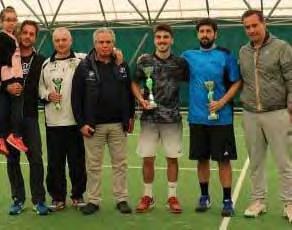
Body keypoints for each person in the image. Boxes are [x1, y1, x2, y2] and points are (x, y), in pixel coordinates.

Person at [181, 18, 241, 217]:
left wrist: (222, 102)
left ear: (215, 34)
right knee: (202, 160)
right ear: (197, 34)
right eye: (201, 31)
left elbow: (236, 83)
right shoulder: (187, 56)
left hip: (222, 119)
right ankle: (204, 197)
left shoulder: (226, 56)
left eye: (208, 31)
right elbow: (167, 66)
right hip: (197, 119)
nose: (204, 34)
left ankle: (226, 200)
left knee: (223, 161)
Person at [71, 27, 135, 215]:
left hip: (118, 124)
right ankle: (93, 200)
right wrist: (81, 123)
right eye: (101, 42)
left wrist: (130, 116)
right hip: (93, 126)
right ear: (94, 44)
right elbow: (76, 97)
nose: (105, 45)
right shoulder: (84, 67)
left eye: (108, 42)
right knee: (93, 165)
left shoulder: (122, 65)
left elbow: (128, 93)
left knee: (120, 164)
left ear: (113, 44)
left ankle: (121, 199)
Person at [239, 9, 292, 222]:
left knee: (284, 162)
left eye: (254, 25)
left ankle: (289, 203)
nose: (251, 30)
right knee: (256, 162)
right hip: (250, 114)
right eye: (247, 27)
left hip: (278, 112)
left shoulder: (282, 48)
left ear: (264, 23)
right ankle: (258, 201)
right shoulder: (243, 51)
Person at [132, 24, 188, 214]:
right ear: (155, 40)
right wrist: (140, 99)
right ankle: (148, 196)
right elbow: (133, 82)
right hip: (149, 119)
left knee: (172, 159)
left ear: (171, 40)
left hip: (172, 119)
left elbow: (193, 81)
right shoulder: (144, 61)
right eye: (159, 37)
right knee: (148, 159)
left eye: (166, 37)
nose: (162, 40)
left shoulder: (180, 63)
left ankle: (172, 196)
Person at [4, 20, 50, 215]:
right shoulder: (6, 57)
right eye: (25, 32)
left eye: (32, 34)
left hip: (30, 118)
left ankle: (39, 200)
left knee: (36, 160)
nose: (28, 36)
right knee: (12, 160)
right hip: (9, 119)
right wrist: (5, 87)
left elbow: (44, 89)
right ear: (19, 34)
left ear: (35, 37)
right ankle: (18, 199)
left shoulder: (41, 60)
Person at [39, 27, 87, 211]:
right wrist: (47, 95)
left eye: (64, 39)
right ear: (53, 42)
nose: (61, 43)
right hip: (54, 123)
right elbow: (40, 88)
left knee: (77, 162)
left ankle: (77, 195)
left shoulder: (82, 59)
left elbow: (100, 56)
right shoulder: (46, 65)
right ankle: (58, 198)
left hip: (76, 123)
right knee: (55, 163)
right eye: (57, 40)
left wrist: (116, 54)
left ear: (71, 40)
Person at [0, 6, 28, 155]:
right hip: (11, 79)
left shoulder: (11, 38)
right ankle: (15, 135)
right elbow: (4, 62)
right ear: (1, 22)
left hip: (9, 79)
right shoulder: (4, 38)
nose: (11, 23)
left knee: (4, 110)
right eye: (8, 20)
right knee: (17, 109)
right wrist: (8, 82)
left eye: (14, 20)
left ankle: (2, 138)